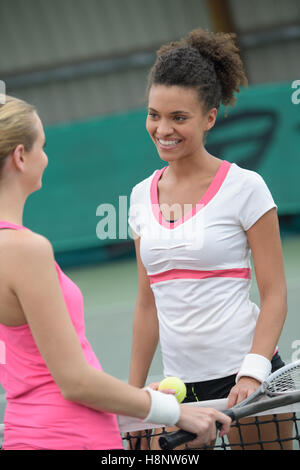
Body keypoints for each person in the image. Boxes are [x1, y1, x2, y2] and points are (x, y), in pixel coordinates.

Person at [0, 95, 231, 450]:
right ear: (20, 156)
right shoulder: (26, 250)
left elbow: (39, 369)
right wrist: (174, 411)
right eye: (42, 147)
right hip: (70, 437)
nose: (45, 158)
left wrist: (132, 398)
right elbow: (74, 382)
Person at [128, 29, 291, 449]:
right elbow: (148, 304)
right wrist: (133, 398)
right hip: (178, 393)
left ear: (210, 118)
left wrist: (253, 371)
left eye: (178, 117)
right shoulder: (138, 199)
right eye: (154, 114)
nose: (163, 129)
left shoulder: (247, 188)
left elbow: (274, 292)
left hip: (249, 380)